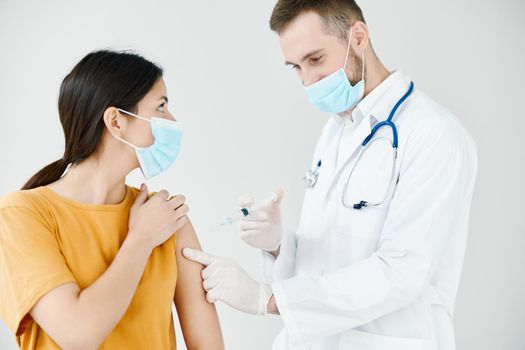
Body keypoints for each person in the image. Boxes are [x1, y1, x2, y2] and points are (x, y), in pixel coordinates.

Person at [183, 1, 478, 349]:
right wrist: (279, 246)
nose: (308, 81)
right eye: (296, 67)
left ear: (358, 36)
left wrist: (268, 298)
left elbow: (401, 273)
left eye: (316, 59)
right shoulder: (337, 130)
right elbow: (330, 258)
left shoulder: (432, 134)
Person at [0, 50, 224, 350]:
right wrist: (141, 240)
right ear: (116, 121)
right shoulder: (20, 216)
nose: (172, 120)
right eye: (161, 107)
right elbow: (78, 334)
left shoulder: (166, 217)